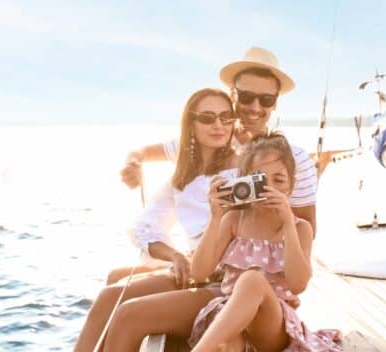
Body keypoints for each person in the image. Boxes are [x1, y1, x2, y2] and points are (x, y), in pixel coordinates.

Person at [41, 87, 239, 352]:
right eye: (207, 117)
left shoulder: (240, 169)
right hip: (194, 270)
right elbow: (145, 227)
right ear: (190, 125)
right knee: (108, 296)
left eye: (226, 117)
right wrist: (173, 254)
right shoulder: (185, 174)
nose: (219, 125)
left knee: (126, 313)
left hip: (225, 283)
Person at [155, 134, 353, 352]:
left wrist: (287, 222)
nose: (270, 189)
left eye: (279, 181)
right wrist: (216, 216)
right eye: (261, 180)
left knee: (252, 280)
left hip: (273, 324)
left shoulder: (299, 228)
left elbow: (298, 285)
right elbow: (200, 271)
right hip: (232, 315)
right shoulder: (234, 220)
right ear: (244, 182)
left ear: (292, 184)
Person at [121, 47, 318, 235]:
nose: (255, 108)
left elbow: (307, 229)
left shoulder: (296, 158)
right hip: (205, 254)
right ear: (233, 94)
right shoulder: (207, 140)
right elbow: (142, 152)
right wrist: (133, 164)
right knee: (118, 273)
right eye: (247, 97)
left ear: (275, 102)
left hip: (258, 261)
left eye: (266, 99)